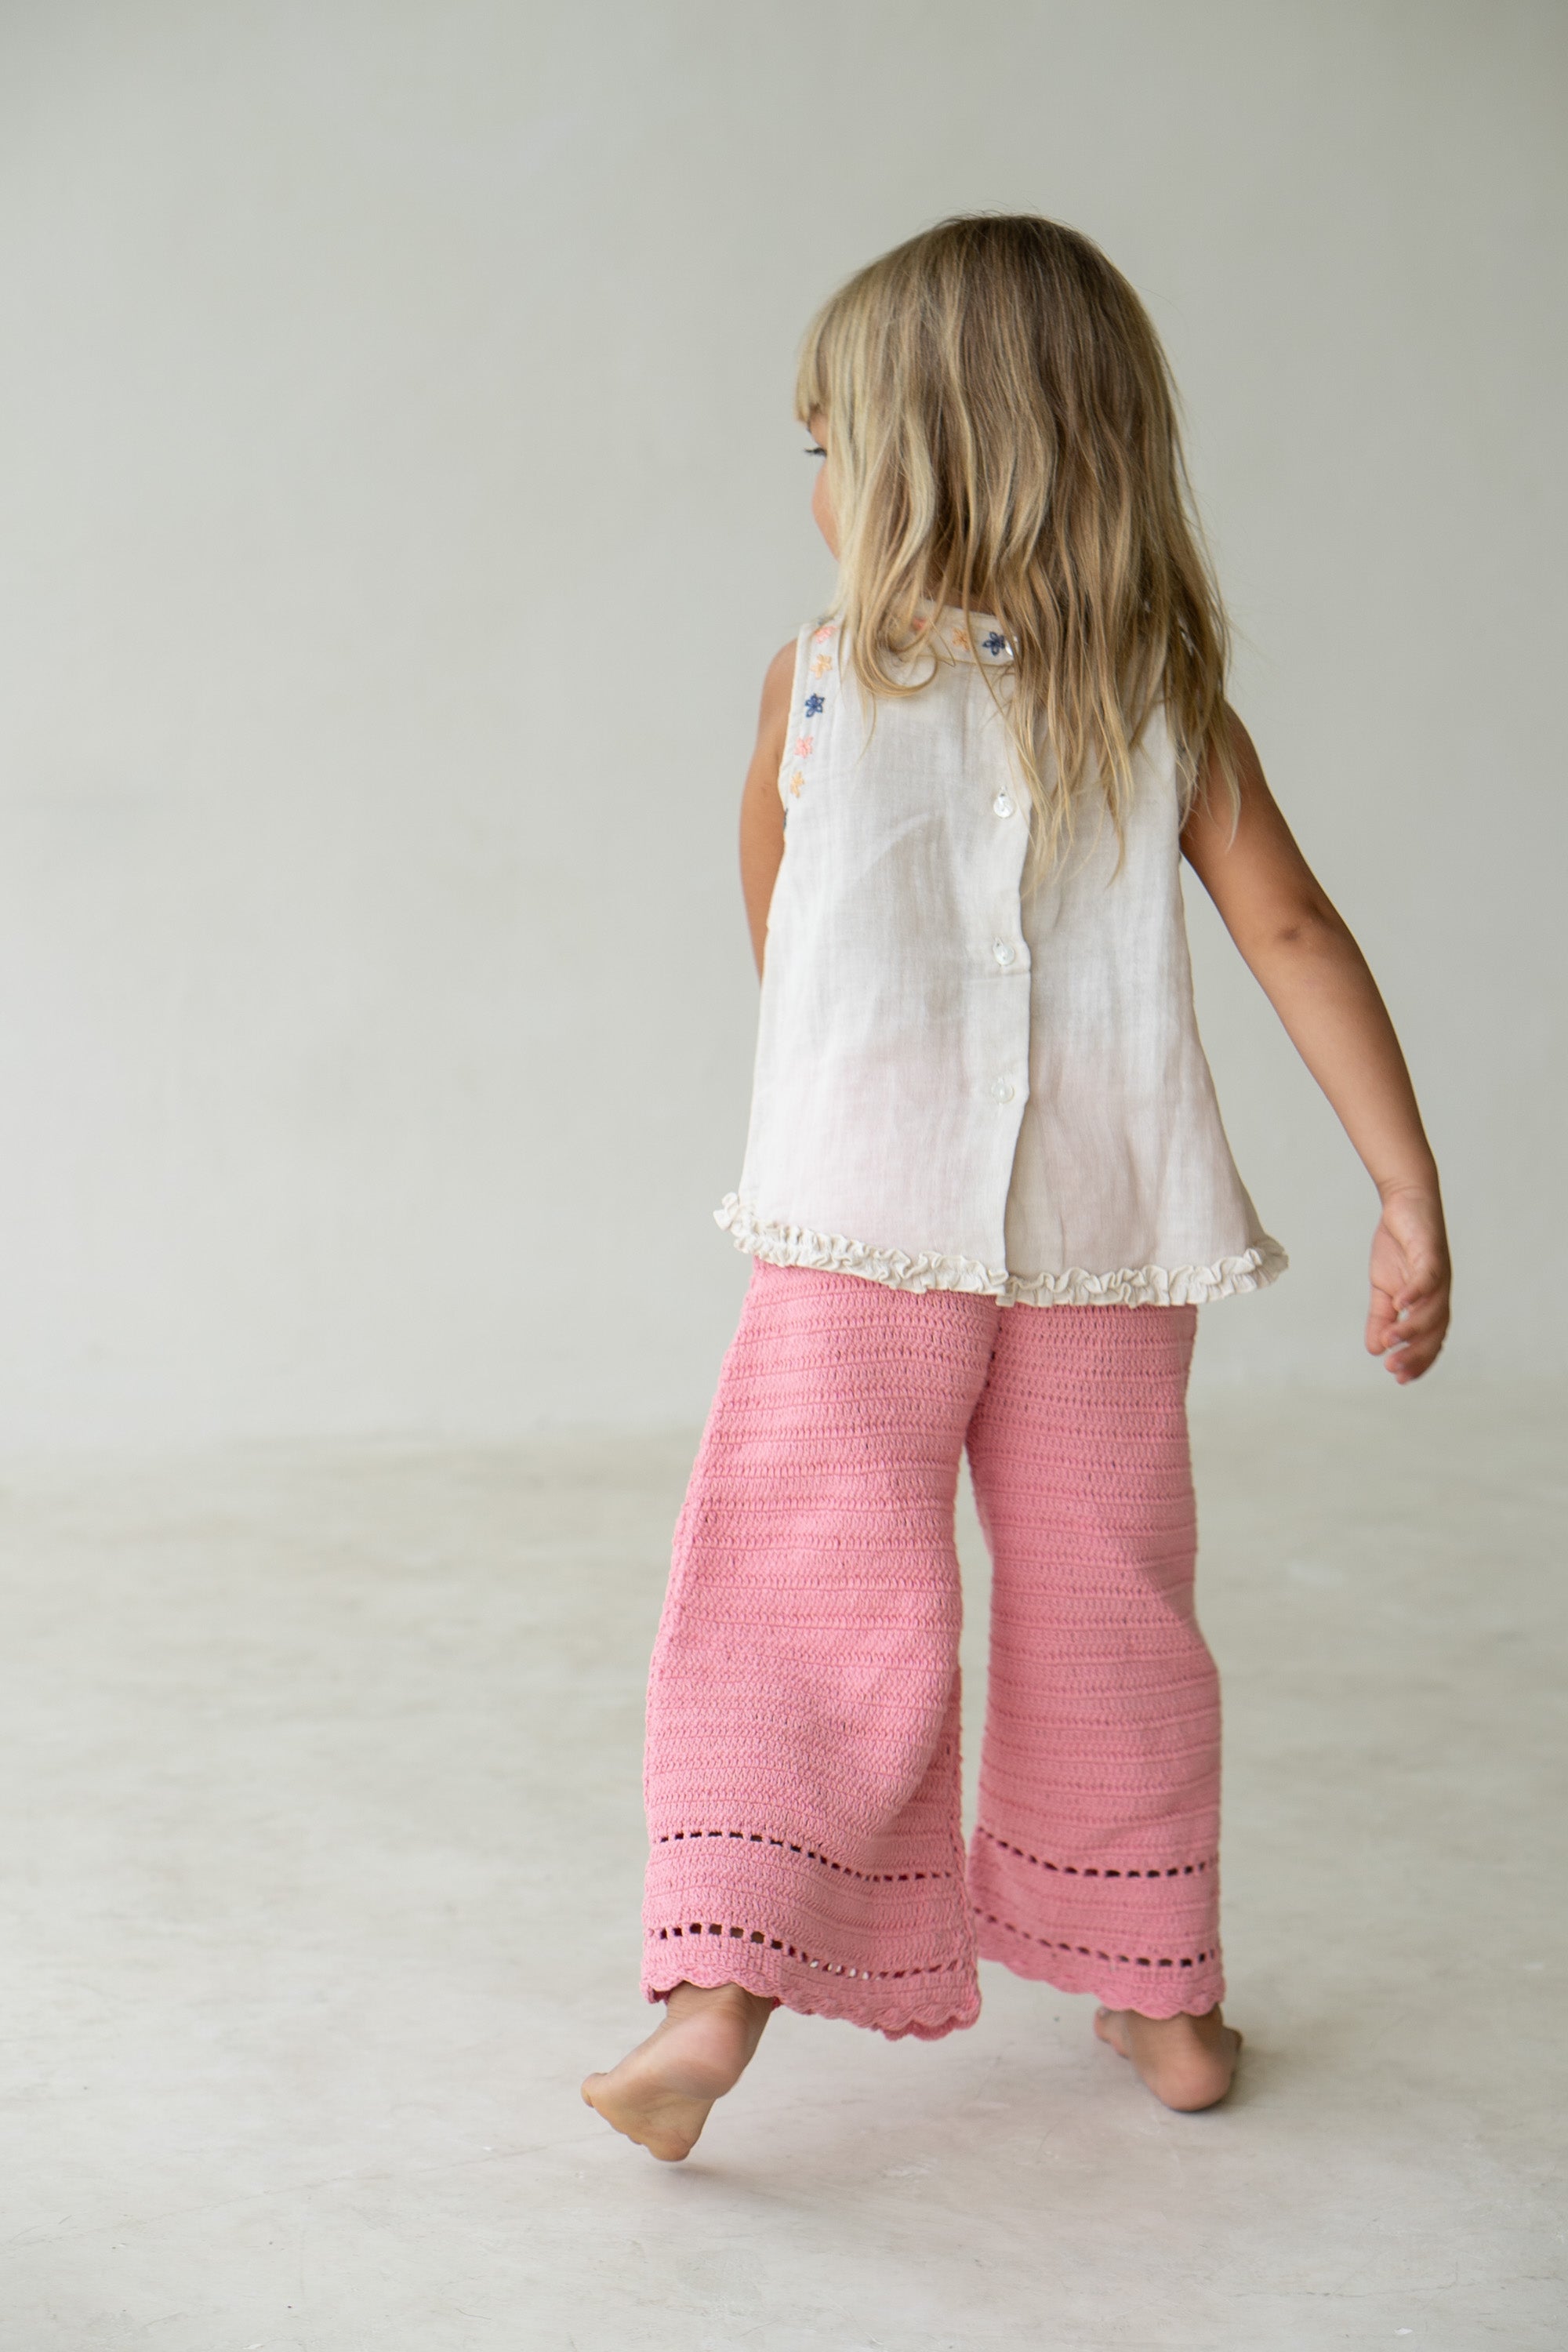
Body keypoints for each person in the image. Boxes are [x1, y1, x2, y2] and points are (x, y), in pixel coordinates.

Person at [582, 214, 1450, 2161]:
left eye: (827, 449)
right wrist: (1403, 1188)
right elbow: (1297, 931)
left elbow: (783, 944)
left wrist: (835, 1132)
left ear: (919, 465)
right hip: (1104, 1243)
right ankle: (1167, 2000)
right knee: (1110, 1598)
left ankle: (716, 1995)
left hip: (853, 1249)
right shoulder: (1158, 702)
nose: (813, 489)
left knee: (805, 1588)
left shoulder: (812, 688)